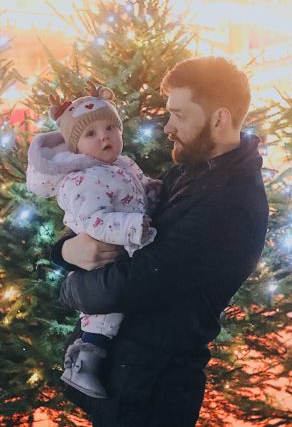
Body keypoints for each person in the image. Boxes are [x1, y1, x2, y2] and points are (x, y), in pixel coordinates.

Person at [52, 56, 269, 427]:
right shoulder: (193, 170)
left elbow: (135, 283)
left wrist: (68, 286)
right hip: (128, 375)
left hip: (152, 393)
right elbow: (110, 222)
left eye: (179, 115)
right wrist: (65, 250)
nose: (168, 127)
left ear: (219, 118)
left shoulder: (230, 202)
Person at [26, 81, 160, 400]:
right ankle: (83, 362)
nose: (104, 136)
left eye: (110, 127)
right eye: (91, 133)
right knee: (106, 313)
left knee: (119, 303)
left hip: (127, 243)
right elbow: (92, 221)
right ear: (75, 147)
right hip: (105, 251)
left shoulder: (121, 164)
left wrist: (151, 188)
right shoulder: (81, 179)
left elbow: (136, 185)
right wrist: (128, 226)